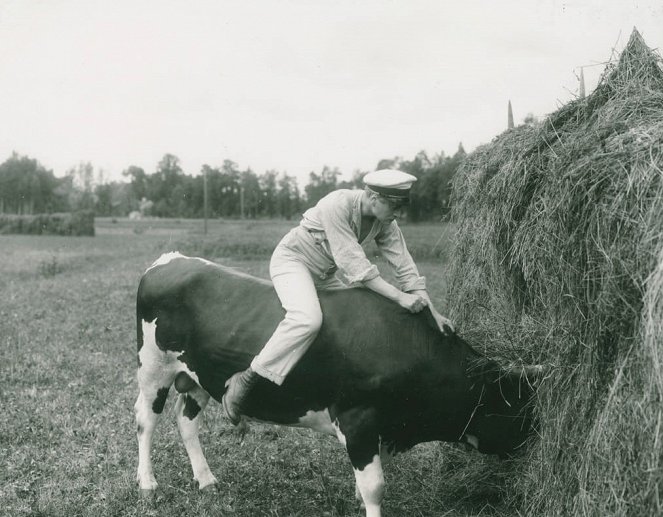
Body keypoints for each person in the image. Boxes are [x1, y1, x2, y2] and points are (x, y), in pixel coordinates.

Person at [222, 169, 454, 424]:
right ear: (372, 196)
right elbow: (357, 268)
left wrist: (432, 312)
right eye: (394, 205)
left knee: (363, 313)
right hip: (293, 261)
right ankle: (245, 380)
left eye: (401, 206)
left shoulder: (386, 221)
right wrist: (400, 298)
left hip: (324, 273)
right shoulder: (338, 204)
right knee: (307, 320)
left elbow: (406, 268)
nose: (398, 213)